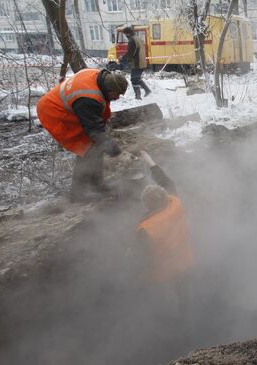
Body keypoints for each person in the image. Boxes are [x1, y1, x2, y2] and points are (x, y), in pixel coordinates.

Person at [36, 68, 128, 202]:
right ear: (108, 89)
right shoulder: (88, 99)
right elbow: (94, 130)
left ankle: (97, 184)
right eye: (116, 94)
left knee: (97, 144)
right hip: (54, 112)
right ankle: (78, 194)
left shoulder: (99, 78)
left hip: (69, 105)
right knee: (88, 147)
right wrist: (114, 150)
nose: (117, 98)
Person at [136, 150, 194, 313]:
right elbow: (167, 182)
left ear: (147, 204)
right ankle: (185, 314)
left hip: (163, 276)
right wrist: (150, 161)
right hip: (185, 262)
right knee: (184, 298)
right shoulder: (175, 203)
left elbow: (142, 259)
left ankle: (170, 322)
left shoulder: (146, 230)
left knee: (165, 305)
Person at [121, 26, 151, 100]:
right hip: (142, 62)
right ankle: (147, 90)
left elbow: (131, 53)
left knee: (134, 79)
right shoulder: (138, 38)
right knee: (137, 78)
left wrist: (123, 58)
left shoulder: (132, 40)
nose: (125, 36)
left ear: (127, 33)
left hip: (137, 63)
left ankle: (138, 97)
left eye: (125, 34)